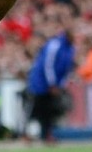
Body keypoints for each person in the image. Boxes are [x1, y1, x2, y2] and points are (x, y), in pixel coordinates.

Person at [25, 12, 76, 143]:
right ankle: (31, 133)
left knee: (50, 109)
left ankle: (46, 134)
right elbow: (48, 65)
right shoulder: (55, 44)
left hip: (54, 84)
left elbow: (67, 68)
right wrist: (52, 83)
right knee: (39, 106)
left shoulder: (71, 48)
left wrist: (61, 84)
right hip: (41, 82)